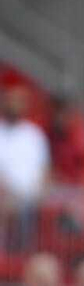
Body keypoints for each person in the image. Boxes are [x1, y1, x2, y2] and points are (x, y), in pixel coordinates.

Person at [0, 86, 49, 247]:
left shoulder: (34, 135)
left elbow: (44, 171)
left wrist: (36, 194)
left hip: (28, 200)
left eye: (19, 101)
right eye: (11, 100)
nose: (14, 105)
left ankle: (23, 251)